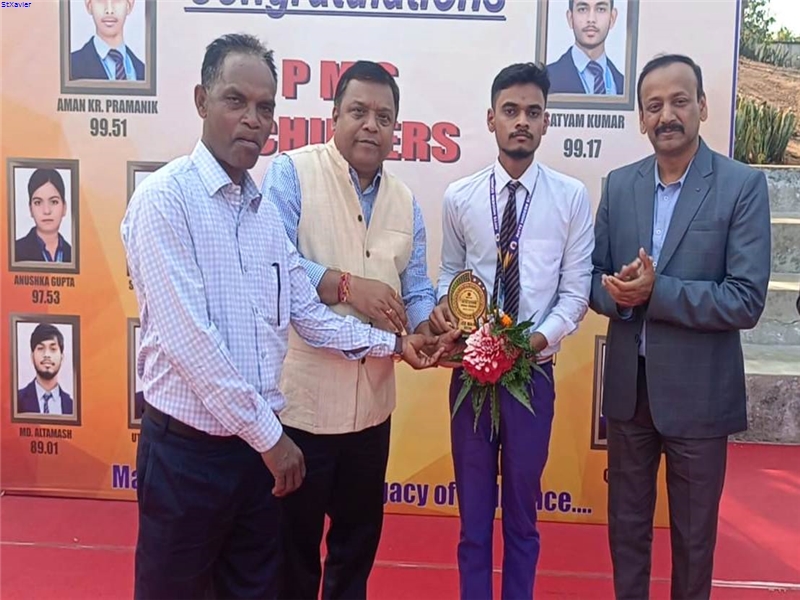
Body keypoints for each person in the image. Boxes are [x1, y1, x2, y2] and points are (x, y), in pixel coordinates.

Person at [121, 34, 446, 600]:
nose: (253, 119)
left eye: (265, 107)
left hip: (258, 457)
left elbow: (309, 314)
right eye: (236, 101)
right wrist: (272, 438)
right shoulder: (164, 201)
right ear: (201, 100)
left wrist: (397, 345)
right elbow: (193, 346)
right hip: (190, 456)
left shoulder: (262, 216)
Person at [261, 60, 454, 600]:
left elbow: (415, 287)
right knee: (291, 555)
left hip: (372, 411)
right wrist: (347, 285)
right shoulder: (290, 174)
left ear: (396, 129)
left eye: (384, 117)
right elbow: (278, 268)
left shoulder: (406, 202)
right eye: (359, 111)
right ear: (334, 116)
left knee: (356, 549)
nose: (372, 125)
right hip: (301, 408)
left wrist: (427, 326)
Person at [590, 54, 771, 600]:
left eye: (679, 101)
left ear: (702, 107)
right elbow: (592, 278)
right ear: (641, 118)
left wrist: (656, 292)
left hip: (699, 396)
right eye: (654, 106)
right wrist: (619, 294)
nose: (666, 115)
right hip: (630, 395)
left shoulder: (741, 186)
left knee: (694, 541)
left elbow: (745, 300)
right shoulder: (619, 186)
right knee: (626, 530)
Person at [429, 62, 595, 600]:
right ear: (491, 119)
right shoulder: (460, 197)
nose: (521, 121)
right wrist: (451, 315)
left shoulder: (571, 198)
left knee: (523, 519)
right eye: (510, 111)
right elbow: (451, 274)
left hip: (533, 377)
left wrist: (530, 344)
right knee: (473, 523)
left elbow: (575, 294)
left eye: (532, 112)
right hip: (471, 378)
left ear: (546, 122)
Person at [546, 0, 624, 95]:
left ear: (612, 18)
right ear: (570, 18)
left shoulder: (623, 85)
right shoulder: (547, 79)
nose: (591, 19)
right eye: (582, 9)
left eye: (600, 9)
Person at [70, 0, 145, 81]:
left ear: (129, 5)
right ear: (89, 5)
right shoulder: (69, 67)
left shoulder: (144, 72)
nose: (109, 10)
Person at [15, 168, 72, 263]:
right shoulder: (14, 251)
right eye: (38, 202)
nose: (46, 211)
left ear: (64, 207)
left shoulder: (75, 254)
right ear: (30, 209)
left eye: (54, 202)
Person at [17, 323, 74, 415]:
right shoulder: (16, 401)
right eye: (40, 348)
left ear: (62, 357)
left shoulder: (72, 406)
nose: (47, 355)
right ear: (32, 357)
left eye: (53, 349)